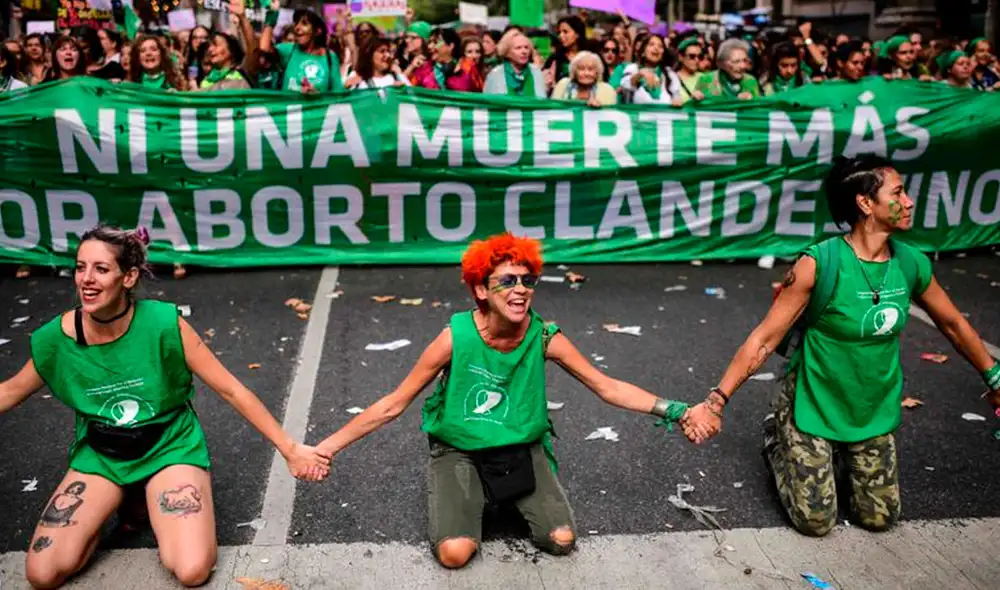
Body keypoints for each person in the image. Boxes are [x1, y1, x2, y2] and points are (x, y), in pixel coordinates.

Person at [315, 233, 693, 569]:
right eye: (507, 281)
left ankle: (504, 494)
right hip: (460, 447)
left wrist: (677, 411)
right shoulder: (455, 338)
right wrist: (325, 449)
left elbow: (607, 387)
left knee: (561, 540)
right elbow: (394, 403)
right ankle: (475, 490)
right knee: (455, 553)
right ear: (482, 290)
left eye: (528, 280)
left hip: (519, 448)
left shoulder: (544, 337)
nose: (521, 289)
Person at [682, 155, 1000, 538]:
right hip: (813, 402)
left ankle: (840, 453)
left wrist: (995, 378)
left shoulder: (910, 263)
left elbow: (953, 324)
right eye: (898, 193)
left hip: (870, 408)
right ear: (865, 203)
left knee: (879, 518)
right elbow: (764, 339)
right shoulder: (820, 263)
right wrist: (716, 402)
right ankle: (778, 439)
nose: (909, 201)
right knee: (816, 522)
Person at [0, 225, 331, 589]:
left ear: (128, 277)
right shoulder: (55, 339)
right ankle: (117, 501)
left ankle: (148, 495)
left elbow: (231, 390)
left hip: (168, 446)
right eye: (81, 268)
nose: (87, 279)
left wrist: (290, 448)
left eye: (101, 269)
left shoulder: (164, 324)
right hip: (102, 454)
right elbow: (10, 391)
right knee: (43, 574)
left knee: (192, 570)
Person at [261, 6, 343, 93]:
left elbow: (338, 94)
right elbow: (264, 48)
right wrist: (272, 15)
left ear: (317, 31)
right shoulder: (289, 50)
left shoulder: (330, 57)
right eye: (296, 23)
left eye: (304, 23)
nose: (297, 27)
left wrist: (316, 96)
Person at [620, 34, 683, 105]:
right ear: (643, 52)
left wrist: (677, 99)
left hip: (665, 112)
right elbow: (625, 84)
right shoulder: (633, 68)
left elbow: (677, 94)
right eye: (651, 44)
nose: (656, 48)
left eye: (660, 46)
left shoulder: (669, 72)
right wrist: (640, 74)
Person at [484, 32, 546, 98]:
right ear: (507, 52)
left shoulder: (536, 71)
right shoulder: (495, 74)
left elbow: (542, 100)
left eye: (526, 47)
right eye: (518, 48)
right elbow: (488, 101)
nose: (524, 51)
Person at [695, 38, 761, 100]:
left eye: (745, 60)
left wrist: (751, 100)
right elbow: (694, 105)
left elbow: (758, 105)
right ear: (721, 63)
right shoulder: (706, 79)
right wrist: (696, 98)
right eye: (736, 61)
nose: (742, 66)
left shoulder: (750, 81)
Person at [551, 51, 616, 106]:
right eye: (581, 69)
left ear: (597, 72)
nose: (586, 73)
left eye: (590, 69)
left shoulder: (607, 90)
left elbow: (611, 114)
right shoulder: (563, 84)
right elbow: (553, 108)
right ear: (574, 71)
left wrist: (598, 109)